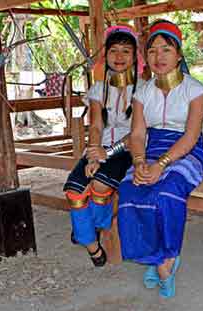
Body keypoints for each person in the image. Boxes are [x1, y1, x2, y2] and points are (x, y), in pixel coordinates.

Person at [117, 19, 203, 298]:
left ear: (179, 54)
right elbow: (136, 134)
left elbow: (191, 135)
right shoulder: (143, 92)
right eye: (153, 50)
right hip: (149, 150)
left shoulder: (196, 90)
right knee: (130, 187)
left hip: (186, 152)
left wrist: (161, 165)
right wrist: (138, 162)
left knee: (166, 191)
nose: (159, 57)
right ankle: (154, 255)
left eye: (166, 50)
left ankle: (167, 258)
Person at [63, 25, 143, 267]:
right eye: (114, 51)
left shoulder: (144, 90)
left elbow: (136, 135)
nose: (119, 57)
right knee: (74, 190)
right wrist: (94, 156)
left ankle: (93, 227)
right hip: (99, 149)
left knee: (98, 185)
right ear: (105, 55)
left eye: (126, 51)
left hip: (128, 151)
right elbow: (96, 125)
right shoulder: (99, 89)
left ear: (135, 56)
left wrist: (107, 153)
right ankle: (91, 244)